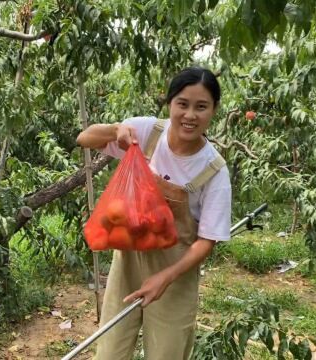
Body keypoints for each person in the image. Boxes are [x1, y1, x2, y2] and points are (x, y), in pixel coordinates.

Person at [76, 66, 232, 360]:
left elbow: (206, 241)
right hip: (129, 260)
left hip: (175, 272)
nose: (190, 115)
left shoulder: (214, 170)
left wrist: (165, 277)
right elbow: (84, 138)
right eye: (182, 104)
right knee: (110, 349)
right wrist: (115, 130)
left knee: (166, 353)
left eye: (201, 107)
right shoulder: (148, 132)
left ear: (213, 110)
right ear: (170, 103)